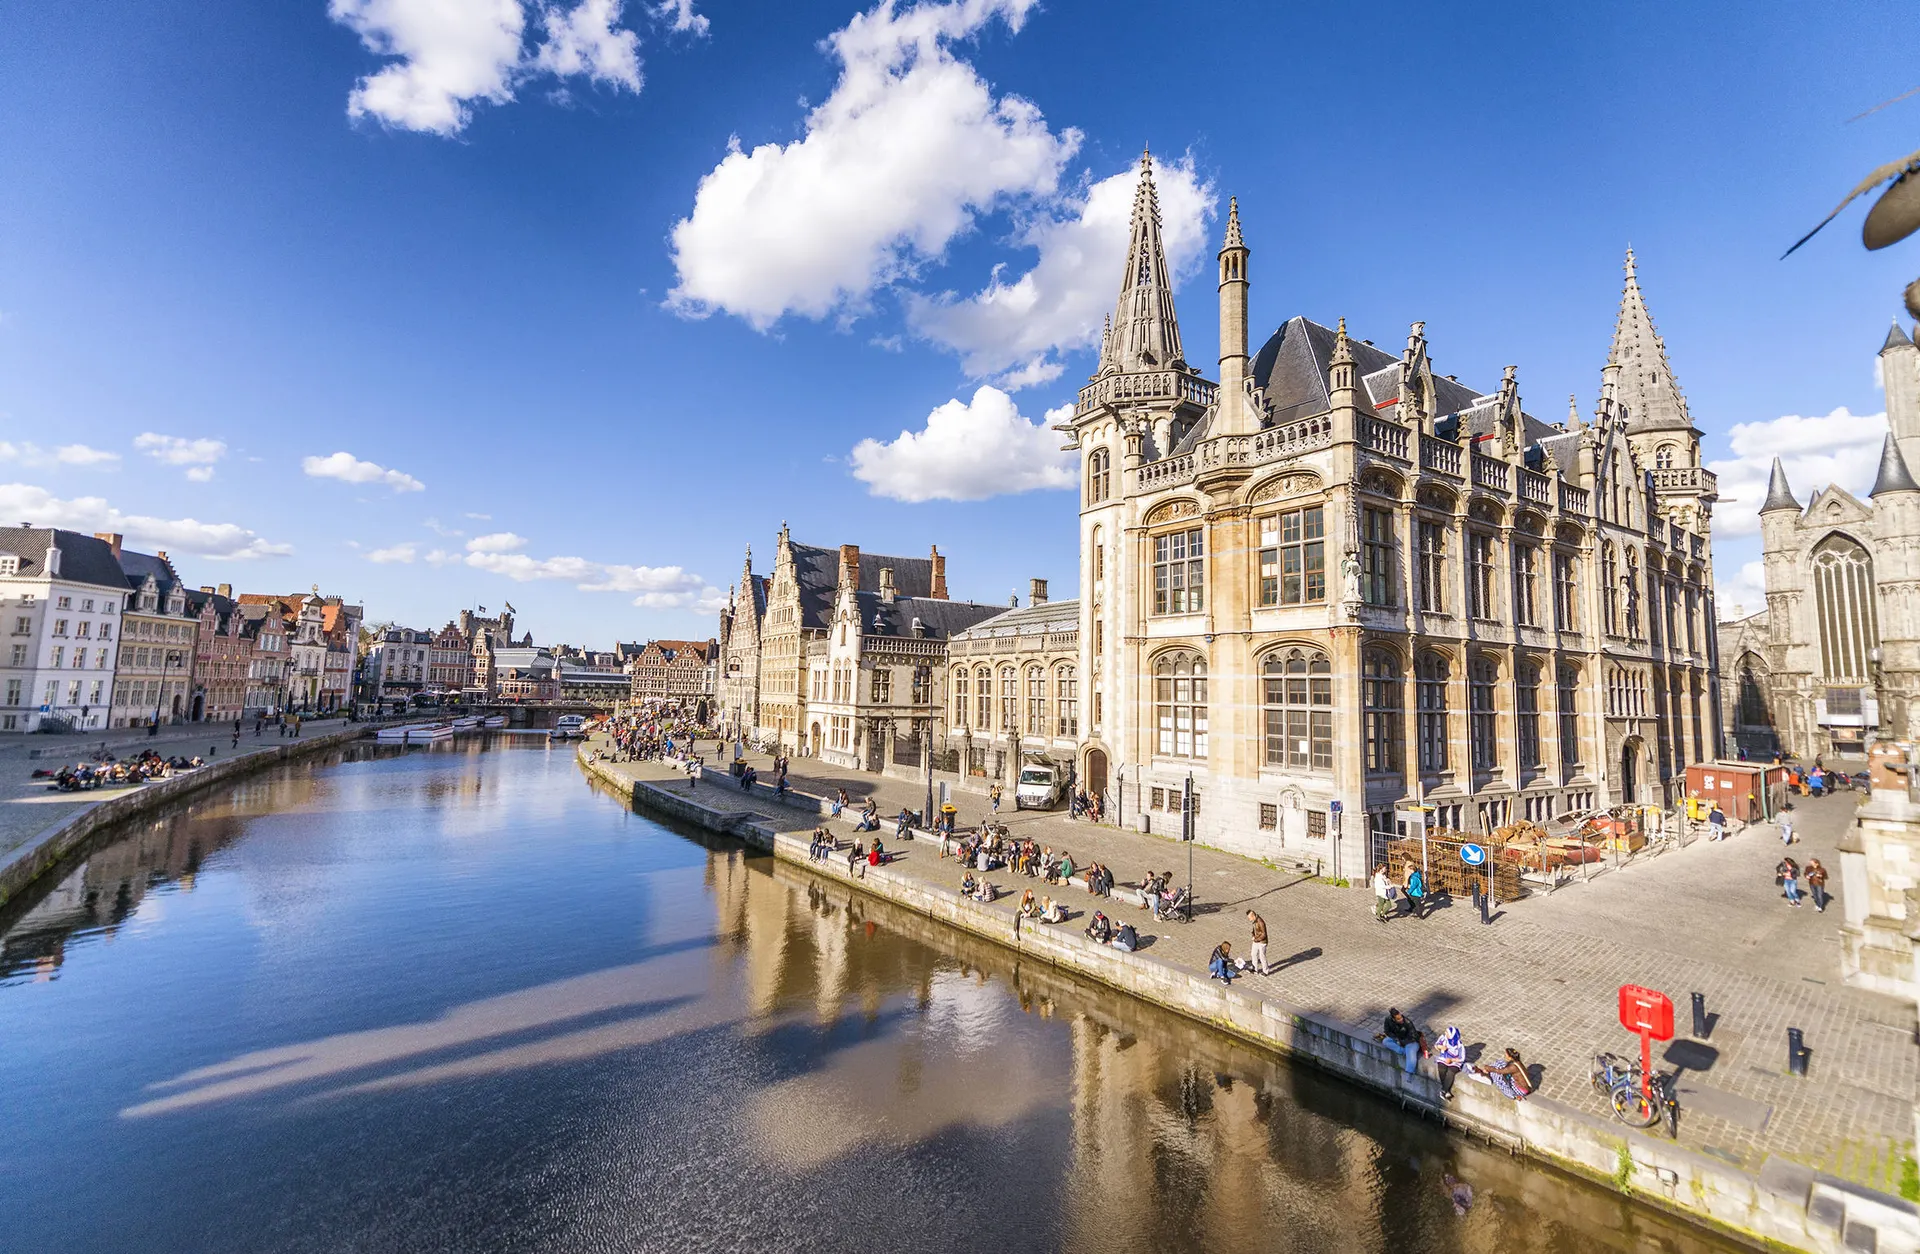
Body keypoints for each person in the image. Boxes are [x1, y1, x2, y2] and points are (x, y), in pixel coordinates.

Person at [1376, 1008, 1424, 1074]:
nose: (1401, 1019)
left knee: (1411, 1055)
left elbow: (1413, 1037)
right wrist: (1396, 1039)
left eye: (1401, 1017)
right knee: (1385, 1041)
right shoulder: (1388, 1020)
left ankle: (1409, 1072)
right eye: (1398, 1019)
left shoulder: (1407, 1022)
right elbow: (1387, 1031)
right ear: (1393, 1019)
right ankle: (1403, 1051)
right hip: (1398, 1038)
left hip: (1409, 1041)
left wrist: (1402, 1042)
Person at [1432, 1025, 1467, 1100]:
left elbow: (1462, 1058)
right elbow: (1436, 1045)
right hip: (1444, 1058)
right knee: (1441, 1068)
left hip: (1455, 1061)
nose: (1445, 1033)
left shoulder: (1459, 1045)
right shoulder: (1443, 1038)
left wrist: (1452, 1060)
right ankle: (1447, 1090)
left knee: (1451, 1072)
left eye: (1447, 1033)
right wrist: (1440, 1047)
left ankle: (1444, 1090)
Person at [1246, 909, 1270, 976]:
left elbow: (1264, 934)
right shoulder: (1254, 921)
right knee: (1253, 954)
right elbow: (1254, 930)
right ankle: (1255, 969)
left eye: (1249, 918)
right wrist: (1253, 936)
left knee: (1262, 956)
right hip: (1256, 940)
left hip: (1262, 942)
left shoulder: (1261, 922)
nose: (1249, 919)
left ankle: (1265, 971)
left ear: (1253, 916)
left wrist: (1256, 939)